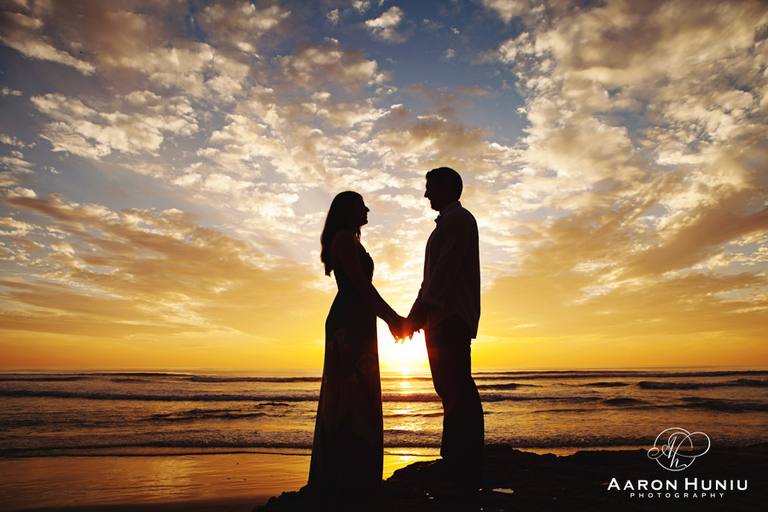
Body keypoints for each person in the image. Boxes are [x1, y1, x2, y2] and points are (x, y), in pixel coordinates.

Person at [306, 191, 405, 498]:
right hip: (348, 320)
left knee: (359, 388)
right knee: (348, 391)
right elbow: (361, 285)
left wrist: (388, 318)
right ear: (348, 209)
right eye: (362, 205)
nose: (368, 210)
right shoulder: (344, 239)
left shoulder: (352, 238)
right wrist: (392, 318)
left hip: (359, 319)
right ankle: (344, 477)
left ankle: (357, 473)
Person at [406, 167, 484, 499]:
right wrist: (415, 316)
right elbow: (431, 278)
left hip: (450, 316)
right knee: (449, 389)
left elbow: (444, 273)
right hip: (438, 317)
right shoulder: (447, 224)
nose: (426, 194)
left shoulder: (458, 220)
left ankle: (463, 469)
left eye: (431, 187)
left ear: (448, 186)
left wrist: (418, 314)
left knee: (457, 390)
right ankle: (455, 463)